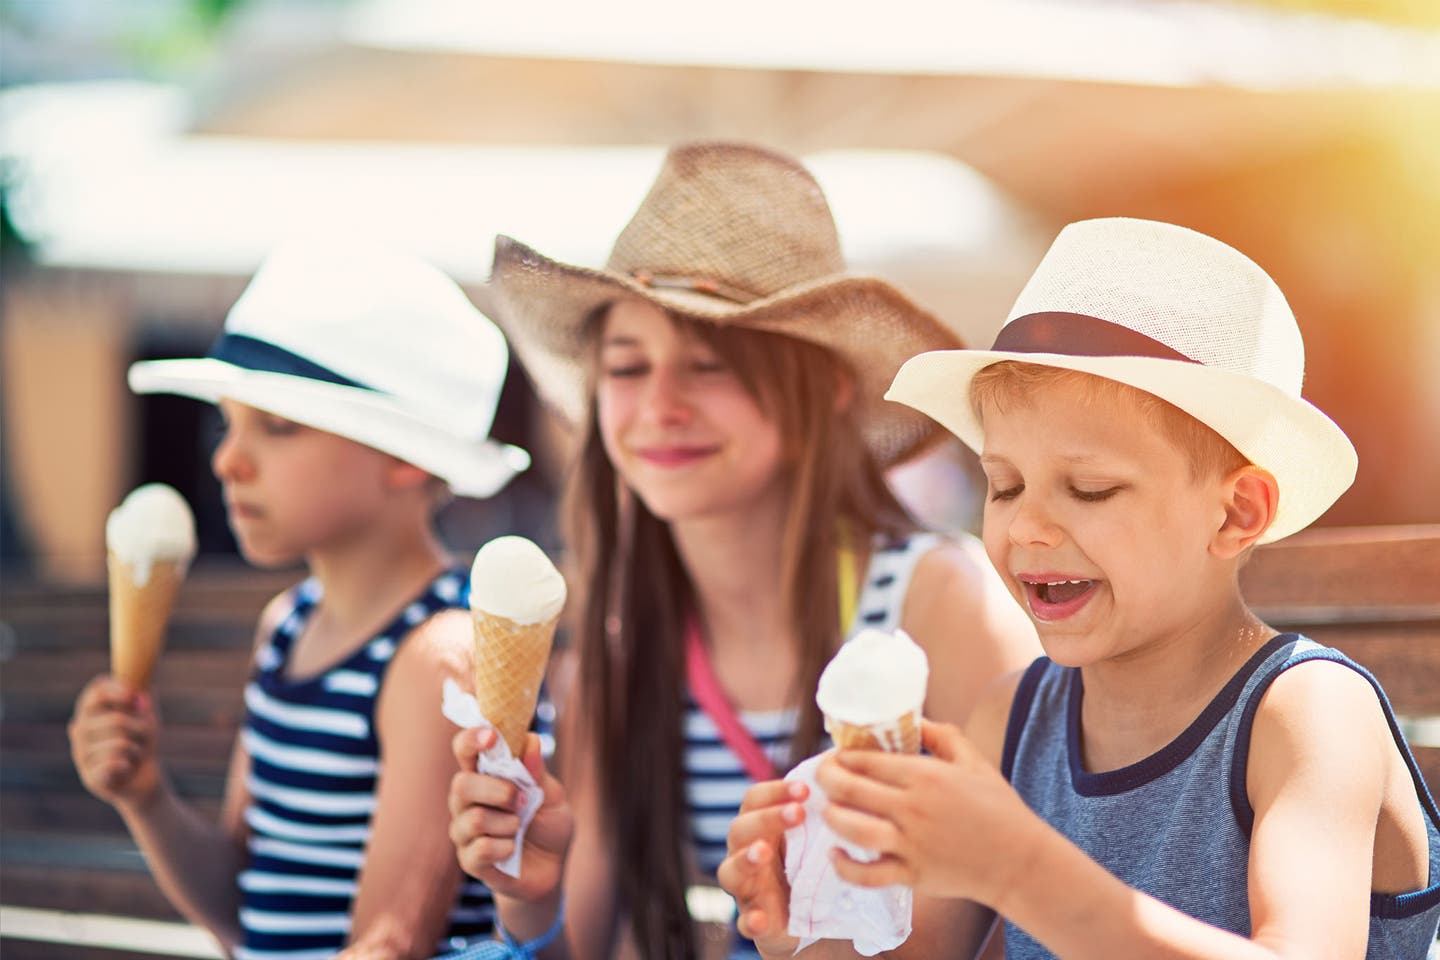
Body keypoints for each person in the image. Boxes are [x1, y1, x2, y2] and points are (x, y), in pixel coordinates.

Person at [721, 217, 1440, 958]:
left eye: (1090, 489)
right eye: (1003, 486)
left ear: (1235, 512)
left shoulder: (1305, 712)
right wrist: (798, 922)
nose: (1026, 527)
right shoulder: (1013, 717)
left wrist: (1018, 868)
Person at [444, 142, 1040, 960]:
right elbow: (579, 949)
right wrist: (528, 894)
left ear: (822, 390)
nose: (659, 405)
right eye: (626, 366)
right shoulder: (615, 649)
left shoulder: (946, 604)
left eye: (709, 365)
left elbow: (987, 935)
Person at [68, 238, 532, 960]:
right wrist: (146, 796)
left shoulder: (440, 656)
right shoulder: (286, 627)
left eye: (277, 427)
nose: (228, 460)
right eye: (229, 423)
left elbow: (389, 943)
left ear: (407, 454)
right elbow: (242, 910)